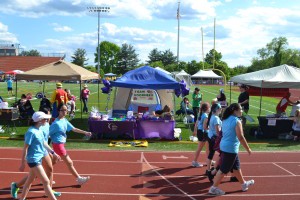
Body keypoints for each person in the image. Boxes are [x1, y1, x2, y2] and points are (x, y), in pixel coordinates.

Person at [11, 112, 61, 199]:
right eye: (45, 119)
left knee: (29, 180)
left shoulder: (39, 130)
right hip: (33, 160)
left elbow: (44, 143)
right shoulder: (31, 132)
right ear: (40, 120)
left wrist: (53, 153)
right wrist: (22, 163)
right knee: (45, 181)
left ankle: (22, 198)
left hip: (39, 158)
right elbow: (25, 148)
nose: (47, 120)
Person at [208, 103, 254, 196]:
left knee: (236, 167)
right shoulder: (237, 121)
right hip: (230, 148)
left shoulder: (225, 119)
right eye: (240, 109)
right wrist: (248, 148)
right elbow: (240, 137)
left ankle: (243, 184)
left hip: (225, 146)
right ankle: (213, 188)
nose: (242, 111)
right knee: (223, 170)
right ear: (235, 111)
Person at [49, 103, 92, 185]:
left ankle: (41, 174)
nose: (65, 112)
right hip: (58, 145)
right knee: (69, 162)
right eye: (62, 110)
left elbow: (74, 129)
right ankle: (79, 179)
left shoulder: (64, 120)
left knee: (52, 163)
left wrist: (85, 132)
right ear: (58, 111)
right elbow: (47, 134)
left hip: (60, 145)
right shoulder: (56, 123)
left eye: (66, 110)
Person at [191, 102, 210, 167]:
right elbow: (205, 126)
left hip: (200, 131)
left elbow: (196, 123)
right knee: (200, 148)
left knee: (208, 147)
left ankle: (209, 160)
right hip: (203, 132)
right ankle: (194, 161)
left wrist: (195, 131)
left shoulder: (200, 114)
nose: (210, 108)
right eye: (209, 107)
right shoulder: (205, 115)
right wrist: (209, 129)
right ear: (207, 108)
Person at [206, 103, 222, 175]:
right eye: (220, 108)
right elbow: (217, 130)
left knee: (211, 153)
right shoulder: (216, 118)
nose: (221, 109)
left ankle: (208, 169)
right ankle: (215, 169)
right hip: (214, 138)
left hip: (210, 137)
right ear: (216, 110)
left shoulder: (212, 116)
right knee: (222, 153)